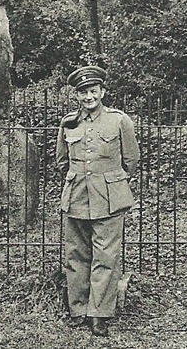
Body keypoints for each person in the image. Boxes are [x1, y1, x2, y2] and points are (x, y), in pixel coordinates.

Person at [55, 65, 140, 337]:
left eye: (93, 91)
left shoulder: (119, 121)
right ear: (77, 96)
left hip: (109, 198)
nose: (88, 97)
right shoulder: (69, 122)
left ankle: (99, 314)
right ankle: (78, 309)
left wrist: (111, 181)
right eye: (83, 92)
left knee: (105, 256)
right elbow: (60, 161)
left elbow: (131, 160)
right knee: (76, 254)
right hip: (77, 195)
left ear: (102, 92)